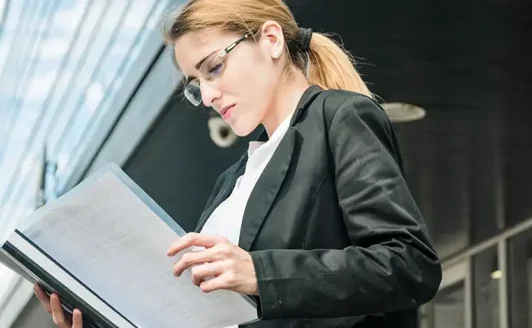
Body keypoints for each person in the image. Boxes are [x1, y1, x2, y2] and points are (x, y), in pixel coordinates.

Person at [34, 0, 442, 327]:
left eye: (213, 68)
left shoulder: (338, 117)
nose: (208, 96)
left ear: (271, 40)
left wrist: (261, 274)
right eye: (196, 84)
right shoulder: (232, 182)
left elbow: (409, 264)